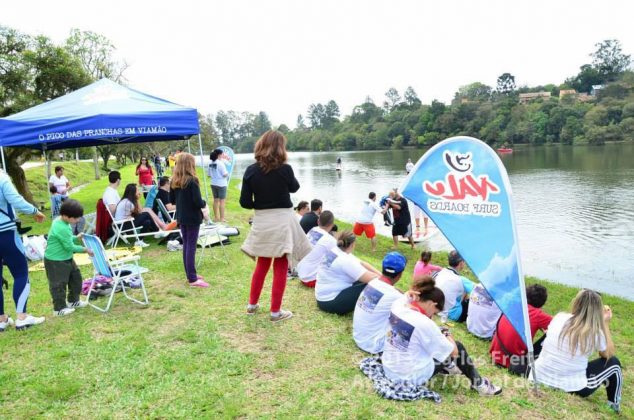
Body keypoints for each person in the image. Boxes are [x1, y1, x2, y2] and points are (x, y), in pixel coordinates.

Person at [381, 276, 502, 396]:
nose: (432, 316)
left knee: (430, 344)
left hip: (389, 367)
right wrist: (446, 333)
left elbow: (407, 295)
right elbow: (454, 352)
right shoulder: (425, 323)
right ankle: (481, 385)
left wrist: (410, 294)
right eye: (434, 312)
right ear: (432, 304)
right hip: (408, 378)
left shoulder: (397, 306)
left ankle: (451, 367)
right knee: (457, 346)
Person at [240, 130, 312, 322]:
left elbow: (245, 202)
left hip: (262, 220)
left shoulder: (250, 170)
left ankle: (252, 305)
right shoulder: (285, 169)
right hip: (282, 220)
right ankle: (275, 311)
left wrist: (262, 204)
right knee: (281, 264)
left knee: (262, 264)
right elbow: (294, 188)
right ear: (281, 147)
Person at [533, 289, 622, 413]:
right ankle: (614, 405)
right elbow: (607, 354)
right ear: (597, 311)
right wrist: (605, 323)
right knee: (614, 363)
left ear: (576, 303)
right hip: (571, 386)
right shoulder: (595, 332)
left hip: (538, 376)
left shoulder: (559, 317)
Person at [0, 170, 47, 331]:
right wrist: (35, 211)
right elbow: (16, 200)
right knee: (21, 273)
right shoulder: (2, 178)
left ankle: (2, 319)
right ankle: (22, 317)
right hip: (5, 233)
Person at [43, 199, 93, 316]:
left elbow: (67, 239)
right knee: (58, 284)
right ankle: (59, 309)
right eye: (75, 218)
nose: (78, 220)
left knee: (76, 278)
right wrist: (85, 249)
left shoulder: (64, 223)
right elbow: (69, 247)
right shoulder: (61, 227)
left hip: (67, 258)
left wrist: (76, 237)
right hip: (55, 261)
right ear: (66, 216)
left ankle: (73, 301)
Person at [315, 231, 382, 315]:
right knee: (374, 286)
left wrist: (381, 275)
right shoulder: (344, 260)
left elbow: (363, 263)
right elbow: (373, 279)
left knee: (369, 281)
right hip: (330, 302)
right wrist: (385, 279)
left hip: (322, 297)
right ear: (352, 245)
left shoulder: (336, 251)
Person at [490, 284, 552, 375]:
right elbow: (560, 325)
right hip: (513, 362)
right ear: (542, 303)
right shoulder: (538, 315)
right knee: (550, 335)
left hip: (494, 355)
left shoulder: (513, 305)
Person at [352, 252, 406, 353]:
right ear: (400, 274)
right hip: (374, 345)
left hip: (359, 336)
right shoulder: (395, 296)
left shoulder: (372, 282)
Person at [170, 153, 209, 288]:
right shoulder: (192, 181)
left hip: (181, 217)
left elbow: (172, 200)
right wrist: (204, 203)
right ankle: (192, 279)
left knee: (187, 245)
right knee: (190, 246)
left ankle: (190, 274)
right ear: (189, 164)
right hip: (192, 217)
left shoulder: (174, 181)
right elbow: (198, 202)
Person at [297, 211, 336, 288]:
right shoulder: (331, 240)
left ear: (318, 221)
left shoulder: (313, 229)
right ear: (332, 225)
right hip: (311, 279)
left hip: (301, 273)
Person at [433, 250, 473, 323]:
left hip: (436, 308)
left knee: (462, 290)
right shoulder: (462, 280)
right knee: (469, 297)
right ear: (461, 263)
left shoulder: (439, 273)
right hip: (451, 315)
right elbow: (479, 289)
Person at [207, 149, 230, 223]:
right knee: (222, 201)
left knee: (215, 200)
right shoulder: (220, 163)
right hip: (221, 184)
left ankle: (216, 217)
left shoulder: (210, 163)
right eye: (222, 154)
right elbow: (225, 174)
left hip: (213, 183)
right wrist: (228, 174)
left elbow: (209, 175)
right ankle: (222, 218)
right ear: (219, 155)